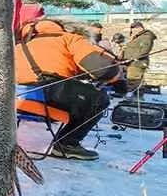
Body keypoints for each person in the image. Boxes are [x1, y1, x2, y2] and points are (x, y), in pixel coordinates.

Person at [15, 18, 119, 160]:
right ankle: (67, 144)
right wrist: (116, 73)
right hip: (51, 95)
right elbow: (102, 71)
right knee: (99, 98)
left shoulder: (20, 45)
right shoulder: (69, 39)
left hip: (18, 99)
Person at [121, 20, 158, 96]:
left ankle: (134, 97)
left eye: (134, 29)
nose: (132, 31)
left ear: (139, 28)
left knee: (133, 80)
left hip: (137, 63)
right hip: (131, 63)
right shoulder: (139, 37)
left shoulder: (146, 37)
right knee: (132, 80)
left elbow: (144, 50)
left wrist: (132, 58)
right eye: (132, 29)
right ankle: (134, 95)